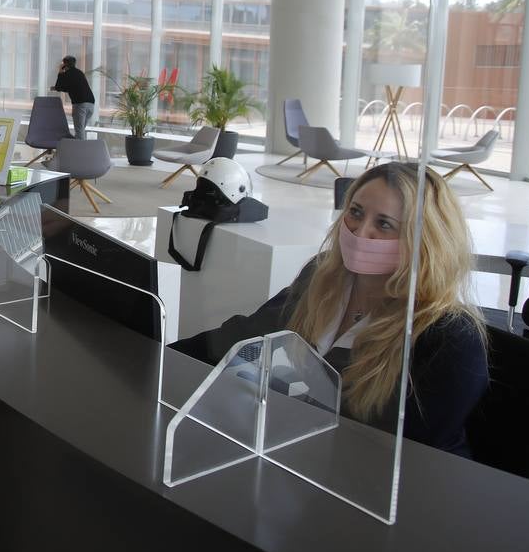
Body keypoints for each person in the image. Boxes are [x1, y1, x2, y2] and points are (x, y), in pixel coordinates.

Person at [172, 162, 488, 457]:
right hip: (298, 456)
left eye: (384, 224)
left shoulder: (452, 338)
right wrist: (160, 355)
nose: (360, 232)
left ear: (425, 241)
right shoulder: (323, 277)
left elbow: (399, 454)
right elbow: (245, 337)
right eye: (355, 212)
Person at [51, 55, 95, 139]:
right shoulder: (79, 72)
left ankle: (80, 151)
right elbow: (71, 87)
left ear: (64, 64)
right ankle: (77, 148)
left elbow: (59, 87)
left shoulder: (66, 74)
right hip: (91, 103)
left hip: (80, 104)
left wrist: (60, 71)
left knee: (79, 132)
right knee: (80, 130)